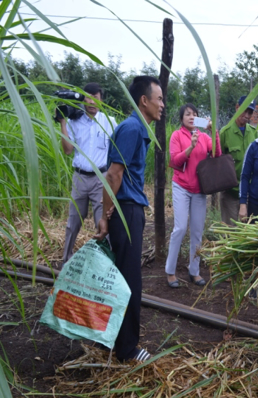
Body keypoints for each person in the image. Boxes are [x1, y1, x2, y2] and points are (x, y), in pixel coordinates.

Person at [94, 75, 164, 362]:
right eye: (159, 98)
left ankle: (111, 340)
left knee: (122, 276)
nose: (162, 104)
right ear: (143, 101)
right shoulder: (133, 128)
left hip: (128, 209)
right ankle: (127, 349)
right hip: (127, 211)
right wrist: (105, 214)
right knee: (129, 280)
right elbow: (113, 174)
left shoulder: (137, 127)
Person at [165, 103, 221, 288]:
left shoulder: (205, 137)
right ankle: (170, 271)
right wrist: (190, 147)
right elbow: (174, 160)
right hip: (181, 186)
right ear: (181, 118)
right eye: (188, 114)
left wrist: (214, 133)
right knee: (180, 228)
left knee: (197, 231)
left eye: (195, 114)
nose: (191, 116)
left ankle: (194, 271)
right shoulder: (176, 135)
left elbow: (217, 154)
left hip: (199, 190)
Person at [61, 83, 115, 264]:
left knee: (103, 221)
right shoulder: (73, 121)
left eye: (96, 98)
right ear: (82, 99)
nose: (91, 102)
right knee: (73, 221)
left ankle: (103, 262)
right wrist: (62, 121)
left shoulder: (110, 122)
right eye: (88, 97)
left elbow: (116, 150)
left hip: (101, 178)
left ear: (102, 100)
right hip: (80, 178)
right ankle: (66, 258)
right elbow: (68, 150)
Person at [219, 96, 258, 225]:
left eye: (250, 112)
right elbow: (219, 160)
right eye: (244, 110)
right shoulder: (225, 132)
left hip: (250, 193)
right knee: (230, 232)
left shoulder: (253, 133)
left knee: (248, 232)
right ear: (237, 107)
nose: (247, 115)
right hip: (231, 192)